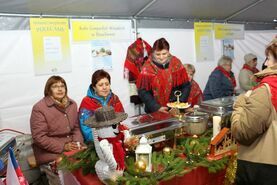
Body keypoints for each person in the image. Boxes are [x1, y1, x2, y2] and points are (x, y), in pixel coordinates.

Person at [231, 39, 277, 185]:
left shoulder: (267, 89)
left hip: (263, 168)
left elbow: (243, 133)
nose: (266, 63)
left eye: (269, 58)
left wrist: (239, 106)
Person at [30, 76, 84, 185]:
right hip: (49, 152)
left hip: (72, 149)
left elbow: (76, 128)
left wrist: (77, 143)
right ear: (48, 90)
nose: (60, 89)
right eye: (55, 86)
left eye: (62, 86)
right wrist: (63, 146)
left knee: (89, 168)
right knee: (64, 177)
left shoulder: (72, 104)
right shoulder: (39, 108)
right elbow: (39, 137)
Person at [136, 38, 191, 113]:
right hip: (155, 110)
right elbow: (142, 91)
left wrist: (179, 103)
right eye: (158, 54)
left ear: (168, 52)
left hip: (175, 109)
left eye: (164, 54)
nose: (161, 57)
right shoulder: (147, 67)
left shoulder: (176, 63)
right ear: (153, 53)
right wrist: (156, 107)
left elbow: (186, 85)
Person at [79, 69, 125, 142]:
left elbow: (121, 119)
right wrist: (100, 141)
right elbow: (86, 127)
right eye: (100, 85)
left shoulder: (115, 98)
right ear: (94, 87)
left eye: (107, 84)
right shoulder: (87, 102)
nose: (104, 87)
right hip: (96, 141)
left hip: (115, 137)